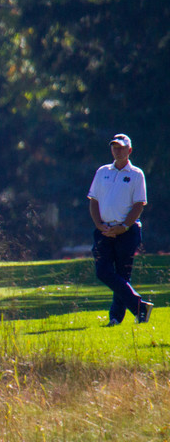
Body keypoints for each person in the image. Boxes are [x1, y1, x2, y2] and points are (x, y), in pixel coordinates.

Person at [88, 133, 153, 326]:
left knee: (122, 275)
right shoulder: (102, 172)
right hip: (104, 229)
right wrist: (99, 224)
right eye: (115, 147)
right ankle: (140, 308)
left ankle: (115, 318)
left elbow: (139, 205)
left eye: (122, 148)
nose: (117, 151)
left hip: (127, 231)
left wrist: (123, 227)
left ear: (129, 150)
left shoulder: (136, 174)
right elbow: (94, 200)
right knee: (103, 271)